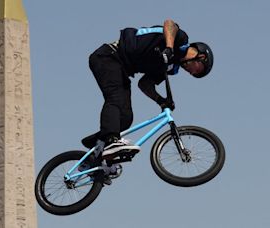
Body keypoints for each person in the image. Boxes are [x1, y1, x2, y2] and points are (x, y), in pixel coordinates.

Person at [82, 19, 214, 160]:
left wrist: (160, 100)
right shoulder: (180, 41)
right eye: (197, 70)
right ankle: (111, 140)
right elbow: (169, 24)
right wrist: (169, 48)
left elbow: (145, 84)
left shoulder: (170, 67)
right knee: (115, 98)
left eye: (193, 75)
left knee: (126, 118)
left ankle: (95, 148)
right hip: (108, 56)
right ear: (201, 56)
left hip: (122, 69)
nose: (191, 72)